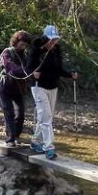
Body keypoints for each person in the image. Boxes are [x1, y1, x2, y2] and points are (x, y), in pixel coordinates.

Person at [27, 25, 77, 159]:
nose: (53, 42)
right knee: (46, 116)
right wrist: (33, 74)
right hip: (39, 87)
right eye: (51, 39)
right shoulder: (37, 48)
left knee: (44, 117)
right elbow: (29, 67)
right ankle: (49, 147)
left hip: (52, 87)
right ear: (45, 38)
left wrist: (69, 74)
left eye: (55, 39)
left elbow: (58, 69)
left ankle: (35, 141)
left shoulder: (57, 50)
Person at [0, 30, 32, 147]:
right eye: (22, 43)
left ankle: (16, 136)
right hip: (5, 87)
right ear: (16, 41)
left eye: (25, 44)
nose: (23, 46)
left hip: (18, 88)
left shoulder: (25, 55)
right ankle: (10, 139)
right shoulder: (6, 52)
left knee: (20, 113)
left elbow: (29, 67)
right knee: (9, 112)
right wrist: (26, 71)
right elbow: (9, 67)